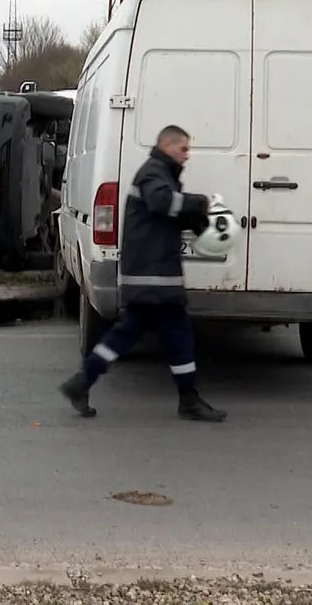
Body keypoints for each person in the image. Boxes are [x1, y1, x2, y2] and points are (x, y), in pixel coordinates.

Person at [58, 125, 227, 422]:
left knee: (131, 335)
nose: (187, 156)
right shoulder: (154, 172)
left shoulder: (161, 174)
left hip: (152, 275)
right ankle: (188, 401)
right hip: (154, 276)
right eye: (183, 149)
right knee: (177, 336)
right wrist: (201, 203)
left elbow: (167, 213)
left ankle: (82, 382)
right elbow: (161, 202)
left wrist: (198, 220)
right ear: (165, 144)